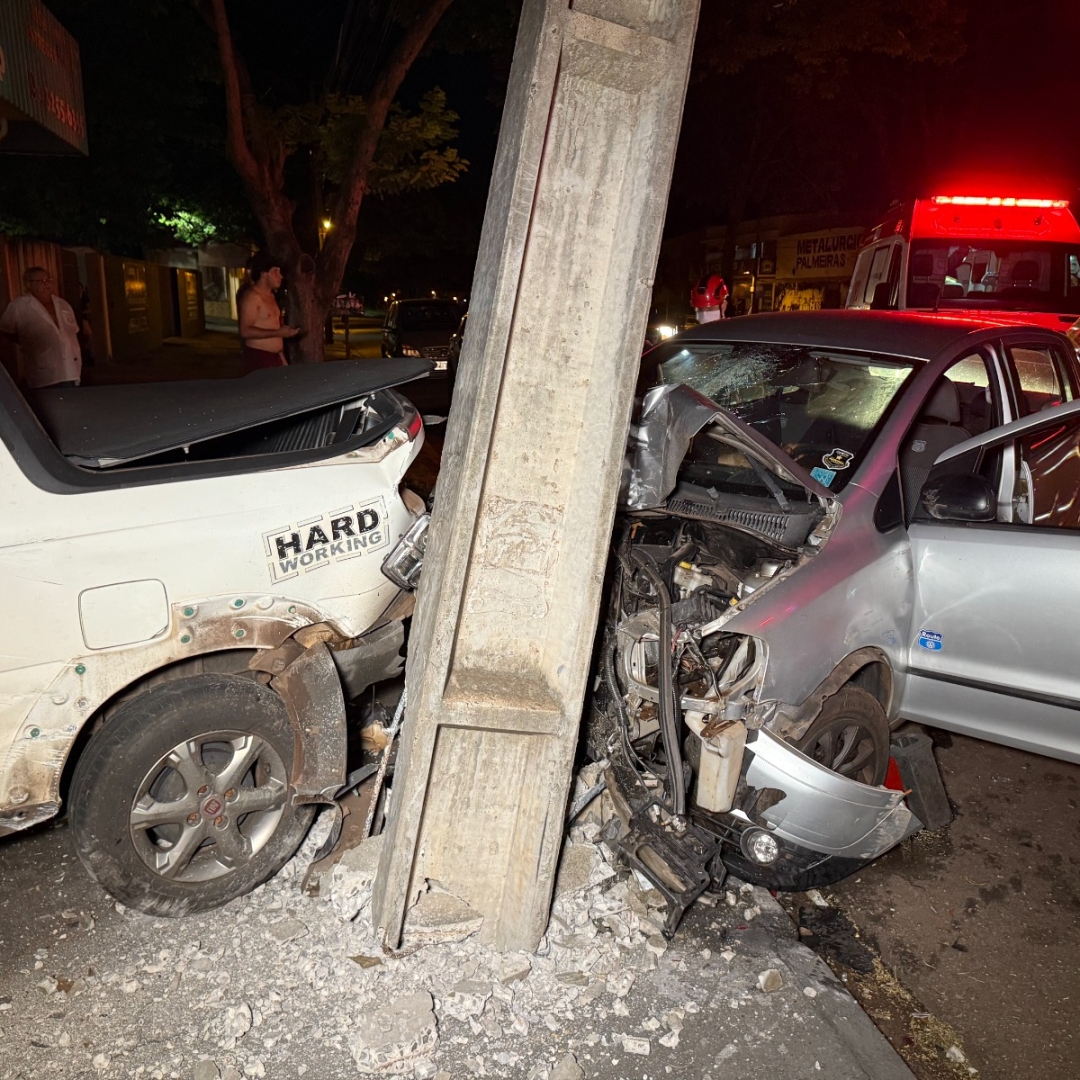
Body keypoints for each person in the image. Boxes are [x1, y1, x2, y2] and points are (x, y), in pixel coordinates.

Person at [0, 267, 82, 388]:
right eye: (41, 281)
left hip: (70, 368)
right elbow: (5, 330)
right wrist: (27, 341)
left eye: (48, 279)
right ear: (29, 284)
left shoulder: (63, 304)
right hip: (44, 372)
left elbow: (73, 330)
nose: (47, 284)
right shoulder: (19, 306)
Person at [238, 251, 299, 373]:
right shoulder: (252, 296)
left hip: (274, 358)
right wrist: (278, 332)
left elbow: (273, 325)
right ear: (264, 274)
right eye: (276, 272)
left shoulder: (271, 296)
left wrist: (282, 359)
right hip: (259, 357)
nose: (280, 276)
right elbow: (245, 331)